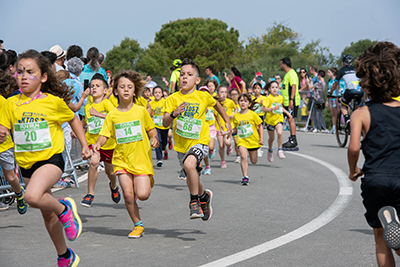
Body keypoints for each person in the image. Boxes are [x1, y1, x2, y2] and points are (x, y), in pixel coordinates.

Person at [0, 49, 90, 266]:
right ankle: (64, 256)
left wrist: (85, 145)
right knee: (46, 214)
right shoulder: (10, 104)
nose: (23, 76)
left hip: (51, 160)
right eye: (20, 71)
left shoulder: (52, 102)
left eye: (30, 72)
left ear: (43, 77)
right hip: (26, 164)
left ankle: (64, 209)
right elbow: (3, 128)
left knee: (32, 197)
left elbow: (74, 120)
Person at [347, 41, 400, 267]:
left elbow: (354, 148)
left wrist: (353, 170)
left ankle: (392, 229)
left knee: (380, 239)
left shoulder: (361, 113)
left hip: (375, 179)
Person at [163, 58, 230, 220]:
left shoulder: (202, 96)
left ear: (197, 80)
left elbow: (217, 105)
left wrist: (226, 121)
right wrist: (174, 114)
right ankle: (204, 197)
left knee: (189, 164)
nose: (184, 77)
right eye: (182, 74)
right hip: (181, 145)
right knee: (191, 174)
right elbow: (165, 123)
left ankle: (194, 202)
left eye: (189, 74)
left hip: (200, 140)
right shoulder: (172, 99)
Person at [95, 69, 159, 238]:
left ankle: (147, 180)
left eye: (129, 87)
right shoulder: (112, 115)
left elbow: (151, 129)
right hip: (121, 160)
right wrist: (97, 144)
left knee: (143, 195)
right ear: (115, 91)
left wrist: (154, 138)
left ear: (134, 91)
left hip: (141, 160)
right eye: (122, 87)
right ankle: (137, 224)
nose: (125, 90)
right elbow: (104, 135)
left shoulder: (140, 110)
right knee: (129, 195)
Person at [80, 73, 120, 208]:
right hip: (93, 142)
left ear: (105, 91)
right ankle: (90, 194)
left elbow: (115, 118)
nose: (94, 88)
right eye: (92, 86)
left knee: (111, 172)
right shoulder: (87, 107)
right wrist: (77, 130)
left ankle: (114, 186)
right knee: (94, 162)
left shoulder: (107, 104)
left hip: (108, 143)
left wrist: (98, 114)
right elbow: (86, 122)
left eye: (97, 86)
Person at [0, 71, 28, 213]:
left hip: (4, 146)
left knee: (10, 177)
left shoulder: (4, 102)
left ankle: (19, 193)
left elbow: (12, 122)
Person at [232, 93, 264, 185]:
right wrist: (228, 132)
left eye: (245, 101)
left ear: (249, 104)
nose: (243, 103)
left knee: (254, 161)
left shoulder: (253, 114)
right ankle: (245, 176)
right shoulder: (236, 116)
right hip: (242, 141)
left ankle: (255, 153)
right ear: (238, 103)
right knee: (243, 156)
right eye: (241, 101)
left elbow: (260, 126)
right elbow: (235, 128)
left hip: (253, 141)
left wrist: (261, 138)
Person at [328, 54, 362, 125]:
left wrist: (330, 92)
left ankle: (347, 119)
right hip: (359, 91)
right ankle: (358, 123)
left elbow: (335, 84)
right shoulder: (356, 69)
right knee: (357, 109)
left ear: (343, 62)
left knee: (343, 106)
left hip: (349, 91)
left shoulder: (341, 70)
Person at [264, 80, 292, 162]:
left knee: (280, 133)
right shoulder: (268, 98)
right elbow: (264, 109)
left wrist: (288, 114)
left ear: (279, 88)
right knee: (271, 138)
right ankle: (270, 150)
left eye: (276, 87)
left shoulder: (280, 98)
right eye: (272, 87)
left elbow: (281, 107)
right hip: (270, 121)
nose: (274, 89)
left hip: (278, 119)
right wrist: (272, 109)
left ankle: (280, 149)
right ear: (269, 89)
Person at [280, 57, 300, 150]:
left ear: (284, 64)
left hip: (292, 100)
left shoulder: (292, 73)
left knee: (291, 119)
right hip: (287, 101)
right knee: (289, 119)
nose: (280, 66)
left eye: (281, 64)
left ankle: (293, 139)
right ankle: (291, 138)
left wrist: (291, 99)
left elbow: (293, 86)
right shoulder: (287, 74)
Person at [215, 85, 236, 168]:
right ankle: (223, 161)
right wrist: (219, 125)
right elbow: (216, 115)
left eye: (225, 92)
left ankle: (229, 147)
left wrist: (233, 114)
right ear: (218, 93)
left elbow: (236, 108)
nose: (223, 94)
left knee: (227, 142)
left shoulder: (230, 102)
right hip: (219, 127)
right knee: (221, 145)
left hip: (228, 126)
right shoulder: (216, 103)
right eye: (221, 92)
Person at [150, 86, 170, 166]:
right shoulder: (151, 103)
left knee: (164, 142)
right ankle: (159, 159)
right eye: (155, 93)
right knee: (157, 140)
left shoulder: (165, 102)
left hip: (164, 126)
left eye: (159, 93)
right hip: (155, 126)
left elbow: (168, 111)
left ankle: (164, 146)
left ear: (162, 94)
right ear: (153, 94)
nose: (157, 94)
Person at [198, 85, 216, 175]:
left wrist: (220, 126)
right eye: (202, 92)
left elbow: (217, 116)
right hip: (201, 128)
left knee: (210, 147)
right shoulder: (198, 105)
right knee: (203, 149)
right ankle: (207, 166)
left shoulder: (212, 104)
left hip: (211, 127)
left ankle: (212, 150)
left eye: (206, 92)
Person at [229, 88, 241, 163]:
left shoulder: (241, 104)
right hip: (232, 126)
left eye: (236, 94)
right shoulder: (229, 104)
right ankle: (238, 155)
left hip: (241, 126)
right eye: (232, 95)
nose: (234, 96)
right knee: (236, 142)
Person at [327, 68, 339, 134]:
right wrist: (327, 100)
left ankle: (338, 128)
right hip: (330, 98)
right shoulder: (329, 81)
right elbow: (328, 90)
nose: (327, 74)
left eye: (329, 72)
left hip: (335, 98)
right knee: (333, 114)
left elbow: (337, 90)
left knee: (337, 114)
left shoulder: (336, 80)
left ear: (333, 73)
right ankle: (333, 128)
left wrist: (337, 99)